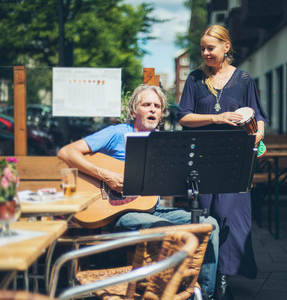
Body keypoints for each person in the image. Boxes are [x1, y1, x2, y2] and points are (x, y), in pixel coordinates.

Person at [57, 84, 219, 300]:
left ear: (161, 114)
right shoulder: (117, 133)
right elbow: (66, 152)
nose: (152, 109)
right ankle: (158, 292)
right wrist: (107, 176)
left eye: (157, 106)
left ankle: (204, 295)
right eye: (146, 105)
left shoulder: (165, 142)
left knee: (210, 224)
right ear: (134, 111)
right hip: (120, 213)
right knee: (162, 229)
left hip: (155, 209)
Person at [177, 24, 269, 300]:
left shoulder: (243, 80)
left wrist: (259, 134)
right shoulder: (194, 79)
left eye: (210, 48)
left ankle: (225, 279)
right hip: (203, 160)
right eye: (202, 48)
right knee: (207, 218)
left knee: (232, 220)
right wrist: (217, 118)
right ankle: (207, 278)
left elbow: (259, 116)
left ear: (226, 47)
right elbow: (183, 116)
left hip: (236, 160)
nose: (205, 52)